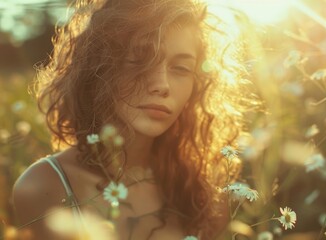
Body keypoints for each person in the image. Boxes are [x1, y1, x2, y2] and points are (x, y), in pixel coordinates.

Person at [12, 0, 246, 239]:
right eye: (140, 60)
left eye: (181, 68)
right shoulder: (45, 187)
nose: (162, 85)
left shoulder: (206, 190)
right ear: (99, 65)